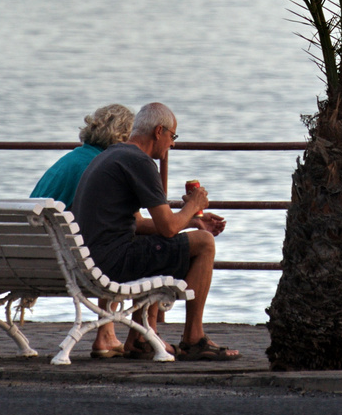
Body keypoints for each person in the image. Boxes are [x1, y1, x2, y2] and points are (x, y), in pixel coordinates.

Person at [71, 101, 239, 361]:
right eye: (173, 136)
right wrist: (194, 205)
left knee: (164, 241)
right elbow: (168, 227)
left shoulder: (113, 154)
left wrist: (193, 222)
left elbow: (137, 224)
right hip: (113, 263)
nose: (173, 144)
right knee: (204, 243)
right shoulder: (139, 161)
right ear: (158, 131)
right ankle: (194, 338)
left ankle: (140, 338)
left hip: (91, 261)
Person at [31, 103, 133, 356]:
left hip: (31, 257)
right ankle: (123, 334)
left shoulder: (70, 160)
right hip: (64, 262)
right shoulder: (100, 167)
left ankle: (107, 333)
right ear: (122, 137)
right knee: (121, 241)